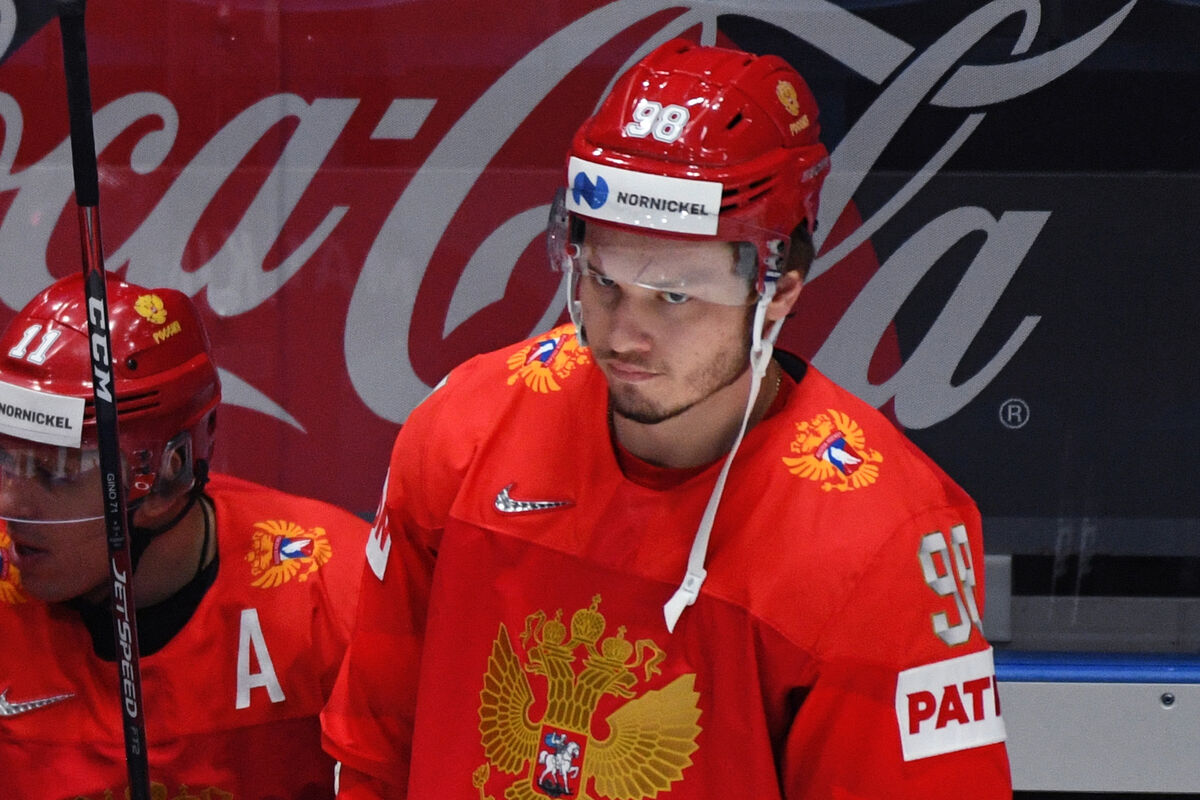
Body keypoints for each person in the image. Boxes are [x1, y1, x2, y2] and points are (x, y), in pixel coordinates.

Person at [322, 38, 1012, 799]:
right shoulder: (464, 428)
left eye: (675, 296)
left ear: (779, 289)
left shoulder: (882, 538)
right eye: (604, 281)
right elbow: (372, 751)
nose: (624, 335)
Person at [0, 273, 369, 799]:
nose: (9, 505)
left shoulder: (336, 594)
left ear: (165, 477)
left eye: (56, 470)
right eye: (6, 460)